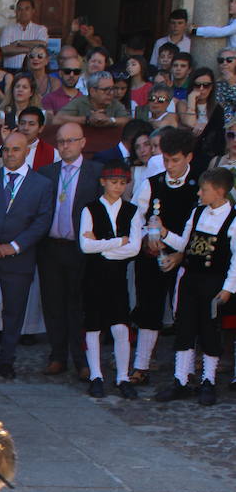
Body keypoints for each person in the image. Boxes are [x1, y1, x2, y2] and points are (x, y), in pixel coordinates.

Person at [0, 131, 55, 379]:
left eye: (16, 149)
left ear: (27, 152)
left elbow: (42, 221)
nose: (10, 154)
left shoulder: (42, 184)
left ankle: (7, 359)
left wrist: (14, 246)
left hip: (19, 259)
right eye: (6, 149)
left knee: (14, 312)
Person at [154, 167, 236, 406]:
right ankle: (180, 380)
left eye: (205, 190)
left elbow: (235, 259)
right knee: (185, 327)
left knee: (210, 330)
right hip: (190, 278)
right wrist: (165, 232)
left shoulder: (233, 219)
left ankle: (208, 380)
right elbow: (185, 244)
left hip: (214, 282)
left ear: (220, 191)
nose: (200, 193)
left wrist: (229, 288)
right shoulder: (197, 212)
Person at [130, 128, 198, 385]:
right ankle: (141, 365)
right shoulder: (152, 183)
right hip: (152, 255)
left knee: (186, 313)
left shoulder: (199, 185)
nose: (170, 166)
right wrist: (148, 237)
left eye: (176, 160)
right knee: (149, 308)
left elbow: (201, 228)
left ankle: (186, 369)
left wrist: (180, 255)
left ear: (188, 157)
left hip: (186, 257)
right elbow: (137, 217)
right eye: (166, 160)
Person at [34, 122, 100, 378]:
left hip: (80, 248)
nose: (65, 146)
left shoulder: (95, 172)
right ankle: (57, 355)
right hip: (50, 246)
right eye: (61, 141)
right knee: (52, 304)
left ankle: (82, 359)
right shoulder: (46, 172)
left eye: (71, 141)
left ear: (83, 142)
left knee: (78, 304)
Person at [78, 162, 143, 399]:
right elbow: (86, 246)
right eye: (114, 182)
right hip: (94, 277)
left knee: (120, 327)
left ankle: (123, 377)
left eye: (123, 183)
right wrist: (117, 242)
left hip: (117, 277)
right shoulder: (90, 209)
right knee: (93, 326)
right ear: (103, 182)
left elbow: (135, 248)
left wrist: (102, 246)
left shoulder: (132, 211)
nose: (118, 187)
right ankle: (96, 375)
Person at [56, 72, 131, 128]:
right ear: (92, 91)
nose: (111, 93)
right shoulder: (79, 102)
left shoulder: (115, 103)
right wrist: (87, 120)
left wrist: (110, 120)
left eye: (112, 89)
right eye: (105, 90)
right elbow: (57, 119)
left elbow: (128, 121)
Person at [0, 0, 48, 70]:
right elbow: (4, 50)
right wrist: (30, 49)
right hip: (10, 71)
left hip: (32, 72)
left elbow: (42, 45)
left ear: (33, 11)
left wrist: (19, 42)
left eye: (27, 9)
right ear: (16, 12)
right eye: (19, 9)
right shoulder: (8, 29)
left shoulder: (40, 29)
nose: (23, 12)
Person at [42, 48, 84, 114]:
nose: (72, 75)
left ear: (80, 74)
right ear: (60, 73)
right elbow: (49, 122)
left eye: (76, 72)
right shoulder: (49, 99)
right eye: (67, 71)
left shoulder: (85, 100)